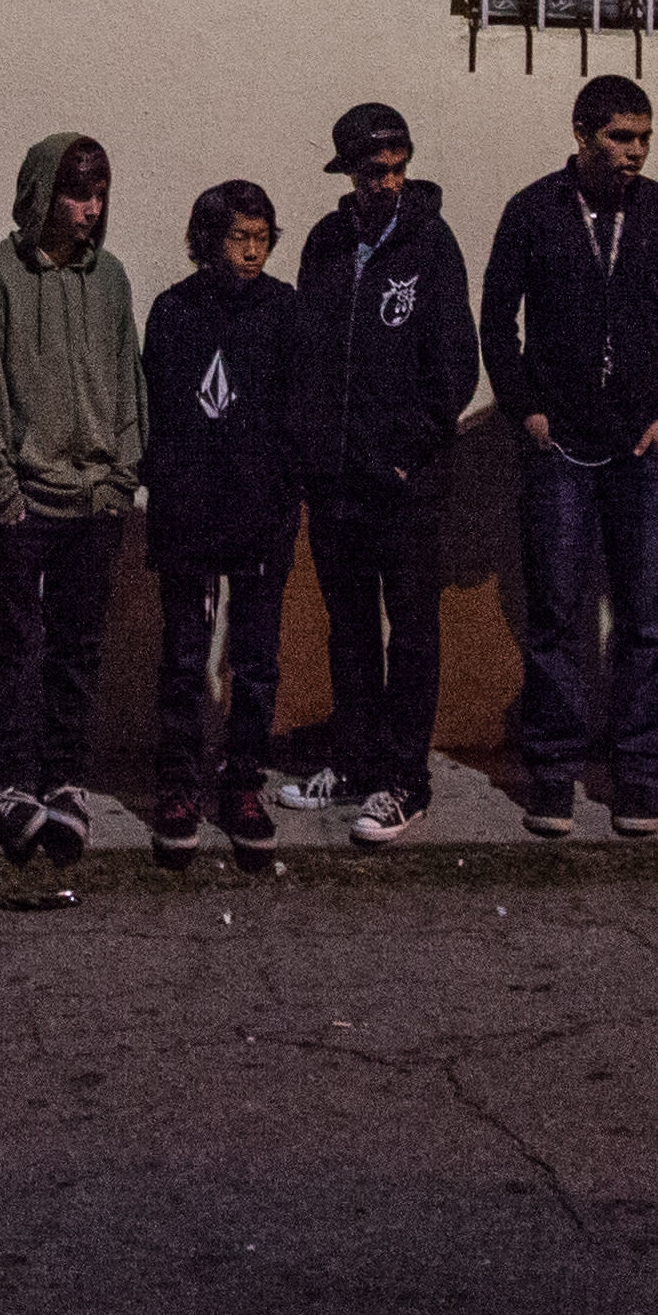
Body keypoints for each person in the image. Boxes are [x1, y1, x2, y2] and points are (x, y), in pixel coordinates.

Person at [480, 75, 658, 841]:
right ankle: (554, 772)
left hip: (645, 447)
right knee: (556, 615)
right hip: (562, 447)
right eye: (620, 138)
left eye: (644, 138)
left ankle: (636, 772)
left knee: (644, 618)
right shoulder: (534, 211)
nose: (634, 154)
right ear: (581, 134)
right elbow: (495, 319)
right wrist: (526, 408)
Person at [280, 102, 474, 847]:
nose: (389, 182)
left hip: (404, 483)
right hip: (335, 482)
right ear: (349, 174)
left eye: (398, 168)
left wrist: (406, 450)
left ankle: (405, 781)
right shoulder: (327, 243)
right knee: (350, 629)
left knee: (412, 633)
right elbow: (309, 357)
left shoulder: (432, 242)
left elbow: (455, 364)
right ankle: (356, 762)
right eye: (373, 171)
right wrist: (311, 450)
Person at [0, 131, 141, 862]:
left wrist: (121, 477)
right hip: (20, 503)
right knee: (11, 644)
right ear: (41, 192)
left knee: (77, 647)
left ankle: (65, 777)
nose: (88, 209)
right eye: (75, 192)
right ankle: (5, 784)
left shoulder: (112, 279)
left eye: (98, 193)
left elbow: (129, 383)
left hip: (94, 502)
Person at [141, 180, 300, 858]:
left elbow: (299, 410)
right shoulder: (173, 311)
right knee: (183, 657)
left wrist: (282, 490)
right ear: (208, 240)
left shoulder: (283, 310)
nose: (253, 251)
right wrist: (167, 488)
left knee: (256, 660)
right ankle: (178, 785)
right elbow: (157, 410)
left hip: (263, 512)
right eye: (240, 237)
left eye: (263, 238)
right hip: (187, 510)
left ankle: (243, 783)